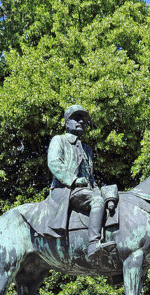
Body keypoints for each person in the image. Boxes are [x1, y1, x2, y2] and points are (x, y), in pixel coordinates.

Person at [46, 104, 115, 261]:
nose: (81, 122)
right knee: (97, 200)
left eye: (84, 120)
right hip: (65, 189)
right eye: (76, 118)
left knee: (112, 200)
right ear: (66, 123)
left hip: (85, 190)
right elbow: (54, 163)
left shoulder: (87, 149)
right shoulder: (59, 140)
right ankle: (93, 245)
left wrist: (98, 189)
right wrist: (74, 180)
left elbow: (90, 176)